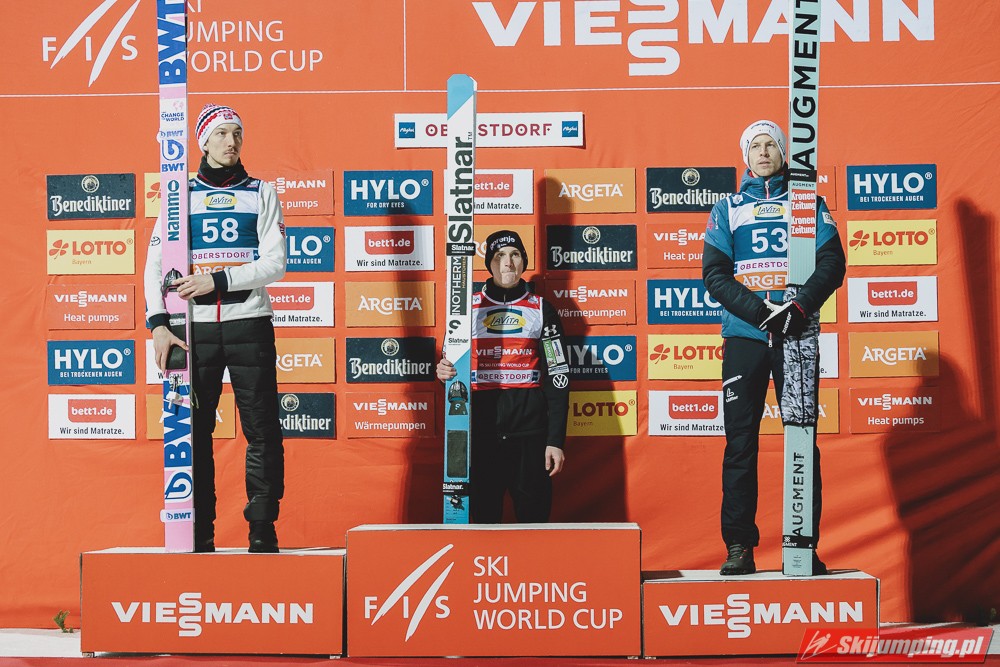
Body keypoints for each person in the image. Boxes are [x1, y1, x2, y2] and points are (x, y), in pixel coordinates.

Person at [702, 120, 846, 575]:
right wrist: (762, 312)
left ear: (784, 153)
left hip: (796, 336)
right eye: (755, 146)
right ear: (745, 156)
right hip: (745, 337)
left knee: (802, 437)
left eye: (771, 145)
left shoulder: (806, 202)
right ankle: (739, 547)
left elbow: (832, 263)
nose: (763, 152)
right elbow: (714, 275)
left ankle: (802, 545)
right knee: (740, 444)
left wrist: (797, 309)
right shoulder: (727, 207)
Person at [144, 103, 287, 553]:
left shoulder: (261, 192)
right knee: (193, 432)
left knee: (262, 430)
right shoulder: (178, 195)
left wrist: (217, 280)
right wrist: (158, 325)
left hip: (250, 324)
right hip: (193, 330)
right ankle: (198, 531)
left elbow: (275, 263)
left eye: (237, 134)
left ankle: (262, 528)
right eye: (221, 133)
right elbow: (154, 265)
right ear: (203, 141)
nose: (231, 141)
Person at [436, 230, 570, 523]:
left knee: (534, 523)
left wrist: (555, 440)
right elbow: (449, 364)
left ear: (523, 261)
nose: (508, 263)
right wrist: (443, 371)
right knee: (484, 522)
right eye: (499, 256)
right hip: (480, 435)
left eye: (515, 254)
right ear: (489, 264)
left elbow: (558, 376)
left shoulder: (541, 309)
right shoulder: (465, 310)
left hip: (530, 436)